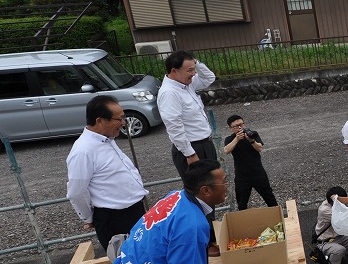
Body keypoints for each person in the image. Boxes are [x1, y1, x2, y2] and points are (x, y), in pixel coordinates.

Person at [66, 95, 148, 251]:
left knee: (146, 256)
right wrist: (88, 217)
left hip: (133, 211)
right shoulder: (83, 151)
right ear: (100, 121)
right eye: (119, 119)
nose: (123, 123)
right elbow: (76, 191)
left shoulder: (106, 139)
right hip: (114, 219)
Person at [156, 51, 218, 180]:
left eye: (194, 69)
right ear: (174, 71)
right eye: (190, 70)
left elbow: (209, 78)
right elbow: (174, 126)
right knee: (200, 189)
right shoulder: (169, 93)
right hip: (192, 148)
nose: (194, 74)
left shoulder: (186, 84)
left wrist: (196, 63)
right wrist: (190, 154)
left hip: (205, 143)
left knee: (212, 184)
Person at [222, 114, 278, 211]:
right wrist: (237, 139)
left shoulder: (252, 134)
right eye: (236, 126)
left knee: (270, 199)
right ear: (230, 128)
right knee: (242, 204)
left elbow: (260, 148)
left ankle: (278, 218)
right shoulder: (230, 139)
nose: (240, 127)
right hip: (242, 176)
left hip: (258, 172)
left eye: (241, 124)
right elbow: (226, 151)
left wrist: (251, 141)